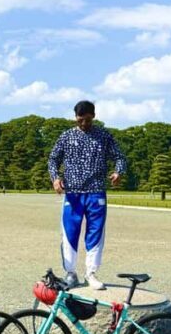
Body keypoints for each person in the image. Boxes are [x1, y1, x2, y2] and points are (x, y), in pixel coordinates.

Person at [48, 100, 127, 290]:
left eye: (88, 119)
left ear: (94, 116)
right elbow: (53, 158)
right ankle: (70, 272)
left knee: (95, 232)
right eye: (81, 119)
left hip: (96, 191)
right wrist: (55, 178)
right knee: (70, 232)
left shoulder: (103, 135)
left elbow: (119, 156)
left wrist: (118, 171)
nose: (84, 123)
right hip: (73, 193)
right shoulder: (66, 136)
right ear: (75, 117)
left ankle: (91, 273)